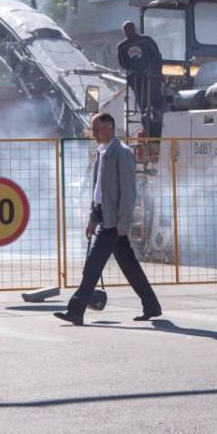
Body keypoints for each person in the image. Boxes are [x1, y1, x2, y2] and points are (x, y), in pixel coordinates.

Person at [55, 113, 162, 325]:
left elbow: (129, 192)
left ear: (109, 129)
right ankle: (151, 305)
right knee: (129, 265)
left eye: (96, 129)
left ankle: (76, 309)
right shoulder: (102, 151)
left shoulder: (121, 153)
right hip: (104, 217)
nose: (93, 133)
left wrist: (123, 223)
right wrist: (93, 218)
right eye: (92, 129)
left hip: (114, 221)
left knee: (93, 265)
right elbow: (99, 190)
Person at [117, 21, 164, 138]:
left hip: (150, 79)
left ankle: (157, 122)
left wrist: (154, 71)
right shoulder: (122, 47)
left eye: (129, 29)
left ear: (134, 29)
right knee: (144, 107)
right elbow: (123, 64)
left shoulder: (146, 40)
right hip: (138, 82)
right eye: (126, 30)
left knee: (155, 104)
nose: (128, 32)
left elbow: (157, 57)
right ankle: (149, 127)